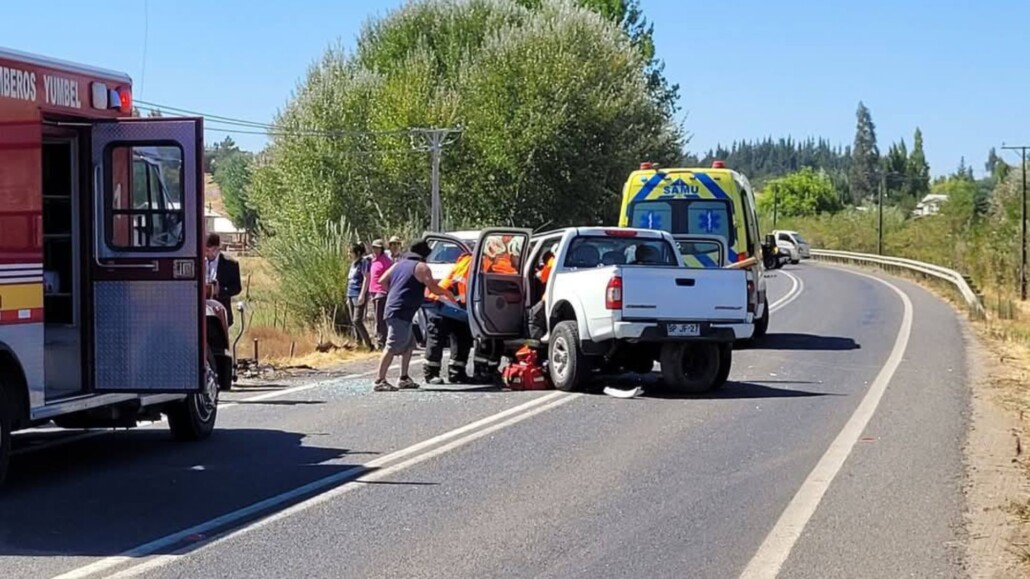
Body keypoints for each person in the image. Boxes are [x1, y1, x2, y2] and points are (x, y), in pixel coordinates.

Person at [374, 240, 456, 392]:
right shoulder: (422, 267)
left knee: (409, 346)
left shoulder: (399, 264)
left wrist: (396, 291)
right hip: (400, 311)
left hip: (398, 310)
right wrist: (448, 293)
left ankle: (404, 378)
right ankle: (380, 380)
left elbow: (382, 281)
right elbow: (433, 288)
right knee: (391, 346)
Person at [422, 251, 474, 384]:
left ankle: (456, 373)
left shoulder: (470, 261)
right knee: (437, 337)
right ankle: (431, 373)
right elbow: (463, 286)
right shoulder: (471, 263)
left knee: (462, 337)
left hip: (454, 306)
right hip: (444, 304)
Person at [205, 233, 242, 326]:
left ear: (218, 248)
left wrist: (220, 290)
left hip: (221, 313)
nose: (209, 253)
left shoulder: (230, 264)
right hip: (200, 313)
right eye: (206, 250)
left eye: (213, 250)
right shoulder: (196, 261)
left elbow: (237, 288)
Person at [347, 243, 375, 350]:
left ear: (357, 253)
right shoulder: (353, 264)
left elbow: (366, 278)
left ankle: (369, 344)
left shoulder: (363, 263)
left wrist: (362, 294)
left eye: (351, 252)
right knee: (352, 320)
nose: (349, 254)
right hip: (350, 293)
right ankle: (358, 343)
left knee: (357, 320)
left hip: (358, 293)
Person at [368, 238, 393, 349]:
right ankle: (381, 339)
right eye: (374, 247)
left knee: (380, 318)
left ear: (382, 249)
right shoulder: (373, 260)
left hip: (381, 292)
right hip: (373, 292)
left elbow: (392, 276)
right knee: (377, 318)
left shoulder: (386, 261)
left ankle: (381, 341)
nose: (375, 250)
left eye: (377, 248)